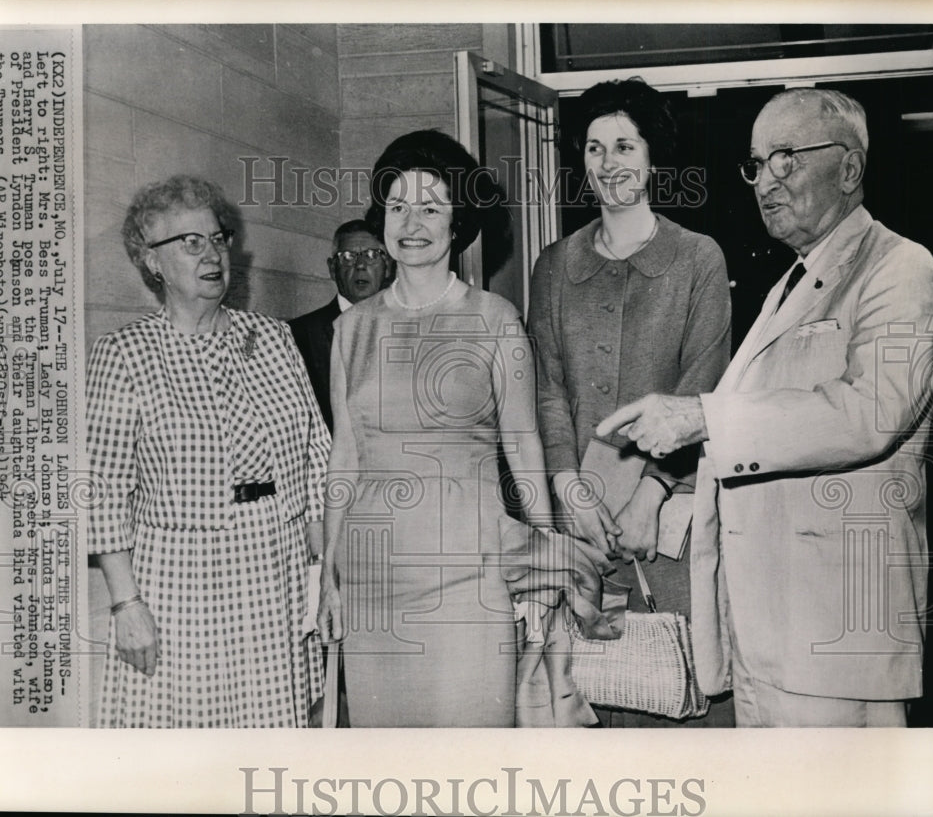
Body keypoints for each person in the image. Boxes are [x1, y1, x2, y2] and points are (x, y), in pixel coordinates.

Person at [596, 87, 933, 727]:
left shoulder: (901, 267)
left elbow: (871, 412)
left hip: (837, 630)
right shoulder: (788, 281)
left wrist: (703, 418)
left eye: (786, 158)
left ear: (849, 168)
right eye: (756, 164)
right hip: (765, 631)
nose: (765, 181)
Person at [317, 130, 553, 727]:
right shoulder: (353, 330)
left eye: (430, 207)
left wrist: (547, 557)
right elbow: (345, 456)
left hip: (469, 581)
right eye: (397, 207)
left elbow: (523, 444)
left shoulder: (495, 319)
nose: (411, 222)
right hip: (372, 585)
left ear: (458, 221)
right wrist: (328, 576)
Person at [86, 175, 330, 727]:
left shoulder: (271, 337)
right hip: (182, 582)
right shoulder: (126, 354)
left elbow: (317, 451)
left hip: (276, 569)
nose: (213, 253)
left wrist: (322, 570)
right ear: (152, 262)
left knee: (272, 741)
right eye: (190, 242)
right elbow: (102, 495)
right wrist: (126, 605)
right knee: (187, 750)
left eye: (217, 238)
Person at [527, 78, 733, 726]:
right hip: (580, 523)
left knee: (668, 690)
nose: (608, 162)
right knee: (592, 695)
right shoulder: (554, 266)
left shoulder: (698, 259)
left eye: (624, 145)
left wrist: (652, 492)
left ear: (651, 158)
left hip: (665, 524)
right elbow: (547, 388)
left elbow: (706, 388)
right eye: (594, 147)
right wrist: (566, 485)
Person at [288, 219, 393, 429]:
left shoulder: (408, 330)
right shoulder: (297, 336)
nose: (361, 265)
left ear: (388, 266)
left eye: (372, 255)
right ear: (332, 268)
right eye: (347, 257)